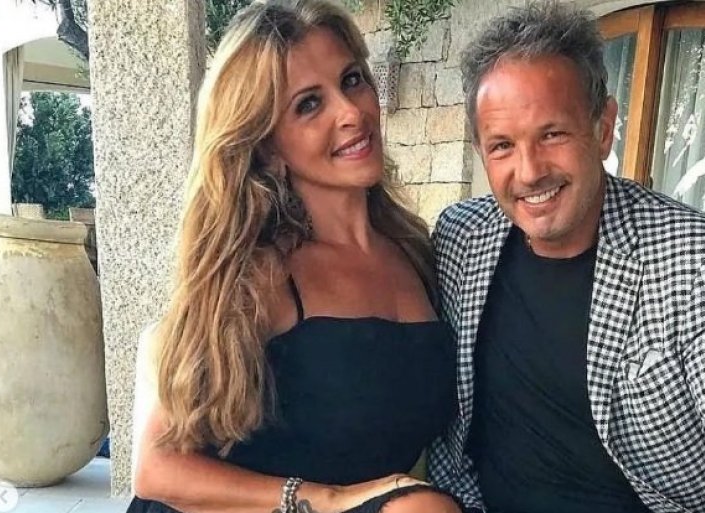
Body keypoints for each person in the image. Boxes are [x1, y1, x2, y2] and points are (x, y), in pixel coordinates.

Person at [426, 3, 705, 512]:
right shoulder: (462, 237)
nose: (529, 172)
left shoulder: (693, 256)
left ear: (603, 127)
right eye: (502, 145)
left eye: (552, 134)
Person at [127, 1, 462, 512]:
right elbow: (156, 468)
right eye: (309, 105)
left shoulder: (416, 252)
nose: (351, 113)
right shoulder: (260, 273)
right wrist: (323, 499)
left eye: (352, 80)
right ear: (267, 147)